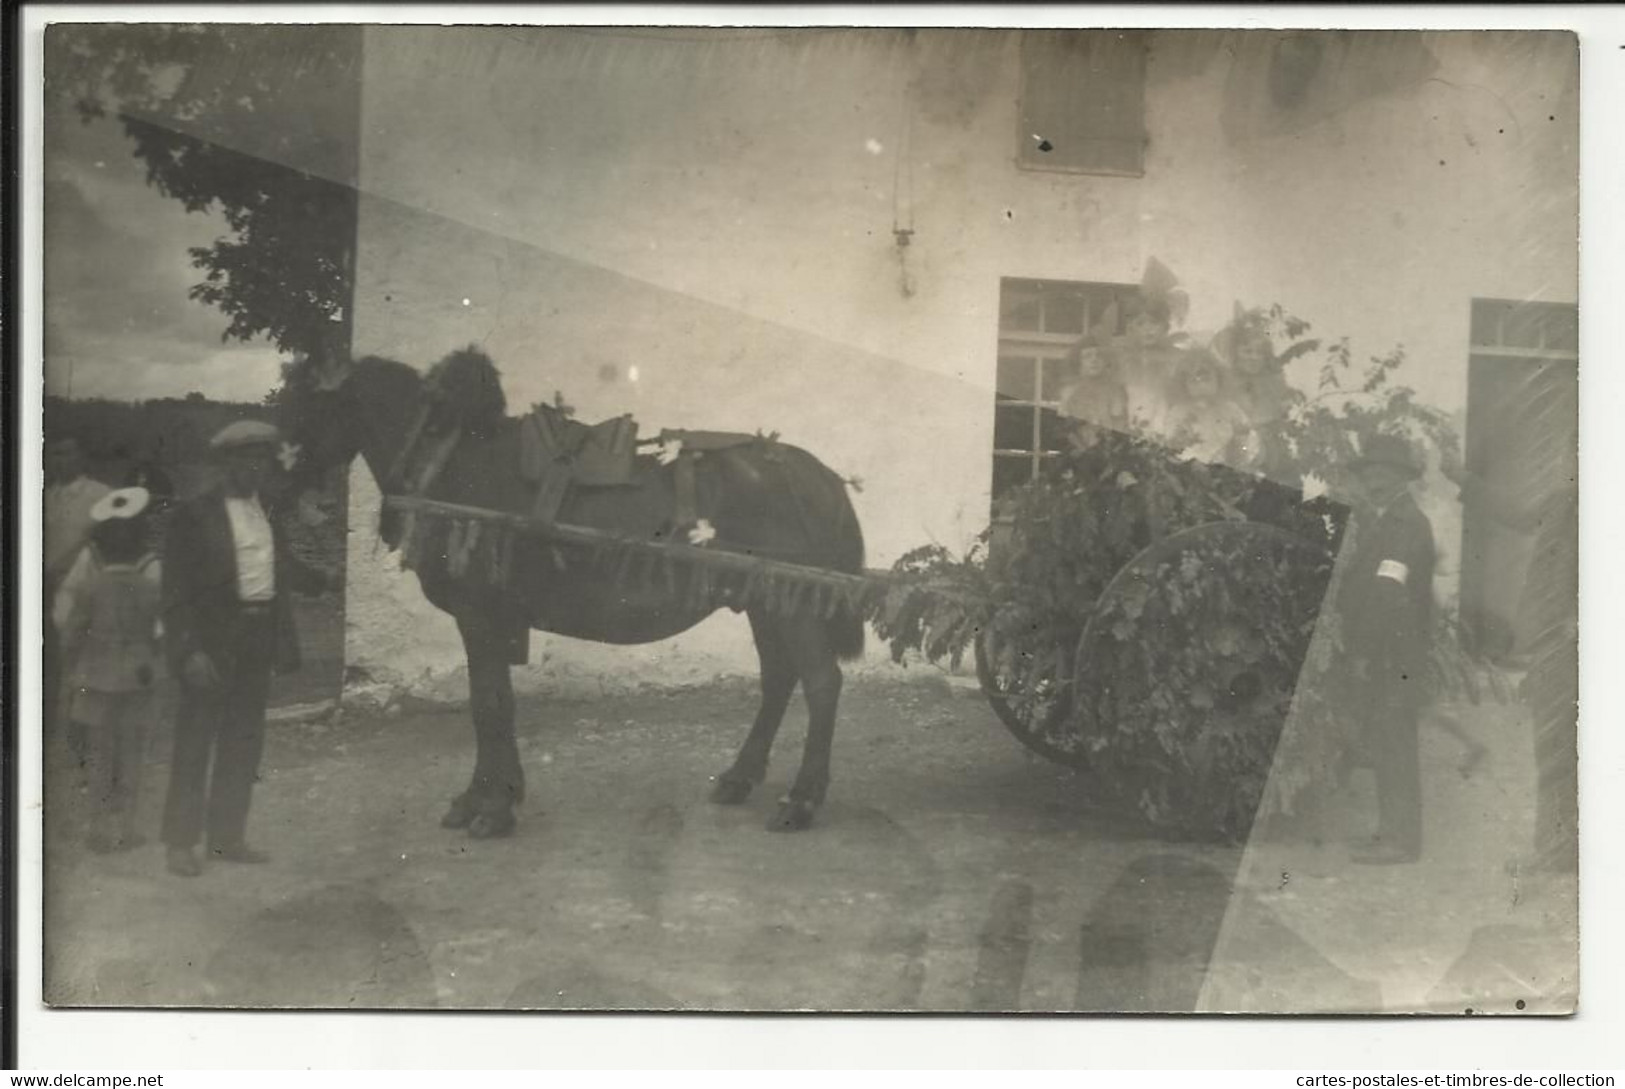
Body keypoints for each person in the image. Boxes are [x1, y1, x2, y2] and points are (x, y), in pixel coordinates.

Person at [160, 420, 333, 877]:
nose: (252, 469)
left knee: (243, 740)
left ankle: (226, 838)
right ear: (225, 464)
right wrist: (188, 652)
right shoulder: (192, 515)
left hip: (258, 639)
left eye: (260, 461)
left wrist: (324, 579)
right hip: (212, 641)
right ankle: (181, 842)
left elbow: (279, 566)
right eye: (243, 461)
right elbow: (174, 593)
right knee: (196, 739)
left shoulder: (269, 510)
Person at [1336, 432, 1437, 865]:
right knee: (1383, 740)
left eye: (1383, 470)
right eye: (1369, 470)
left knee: (1394, 743)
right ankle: (1389, 832)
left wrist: (1361, 651)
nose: (1373, 477)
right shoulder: (1383, 519)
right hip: (1385, 650)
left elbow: (1385, 592)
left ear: (1401, 477)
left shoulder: (1407, 525)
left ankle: (1401, 840)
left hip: (1395, 652)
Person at [54, 487, 163, 853]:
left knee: (99, 756)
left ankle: (98, 829)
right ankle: (128, 828)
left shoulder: (90, 585)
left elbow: (70, 633)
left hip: (96, 678)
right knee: (132, 754)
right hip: (138, 678)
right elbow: (160, 632)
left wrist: (73, 667)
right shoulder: (149, 586)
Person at [44, 436, 113, 753]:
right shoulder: (45, 493)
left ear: (82, 457)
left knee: (81, 660)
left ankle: (80, 738)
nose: (62, 460)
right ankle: (41, 732)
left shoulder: (100, 495)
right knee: (48, 660)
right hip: (45, 588)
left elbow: (109, 544)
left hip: (83, 588)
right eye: (56, 453)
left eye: (69, 453)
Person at [1158, 350, 1254, 466]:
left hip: (1227, 465)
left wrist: (1240, 441)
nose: (1201, 386)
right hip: (1192, 468)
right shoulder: (1178, 412)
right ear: (1183, 384)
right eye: (1193, 381)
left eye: (1206, 379)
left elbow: (1248, 437)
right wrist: (1178, 438)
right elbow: (1171, 444)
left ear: (1219, 379)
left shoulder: (1230, 409)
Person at [1057, 325, 1129, 450]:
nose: (1094, 360)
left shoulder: (1116, 391)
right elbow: (1065, 428)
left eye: (1099, 355)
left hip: (1109, 452)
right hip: (1079, 453)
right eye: (1088, 356)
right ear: (1079, 362)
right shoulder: (1069, 392)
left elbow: (1120, 427)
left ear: (1106, 361)